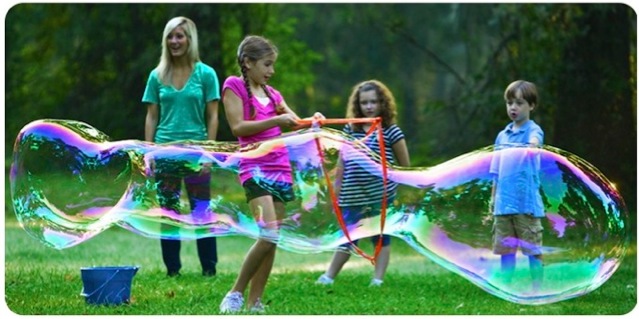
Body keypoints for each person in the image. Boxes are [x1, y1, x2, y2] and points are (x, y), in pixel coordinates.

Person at [218, 35, 323, 313]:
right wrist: (277, 120)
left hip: (281, 170)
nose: (271, 71)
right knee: (269, 233)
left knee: (272, 240)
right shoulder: (234, 85)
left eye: (272, 65)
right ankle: (235, 293)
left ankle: (255, 302)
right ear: (248, 62)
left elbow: (296, 124)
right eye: (266, 64)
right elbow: (238, 127)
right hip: (254, 168)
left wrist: (312, 122)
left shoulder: (274, 94)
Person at [142, 16, 220, 277]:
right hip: (165, 152)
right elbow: (152, 116)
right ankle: (172, 270)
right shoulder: (157, 75)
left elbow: (213, 116)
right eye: (170, 36)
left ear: (190, 39)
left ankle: (209, 268)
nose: (174, 41)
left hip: (196, 153)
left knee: (201, 212)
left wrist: (209, 151)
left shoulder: (206, 74)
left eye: (180, 36)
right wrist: (149, 151)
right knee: (169, 212)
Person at [315, 80, 410, 287]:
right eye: (364, 102)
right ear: (357, 105)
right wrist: (337, 189)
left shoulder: (391, 131)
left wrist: (400, 192)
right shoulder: (351, 130)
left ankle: (377, 279)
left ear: (382, 103)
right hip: (351, 194)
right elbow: (342, 162)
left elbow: (405, 166)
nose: (369, 106)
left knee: (380, 237)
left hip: (380, 195)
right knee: (347, 237)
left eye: (374, 102)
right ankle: (329, 276)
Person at [489, 80, 544, 291]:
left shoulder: (533, 130)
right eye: (510, 103)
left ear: (531, 106)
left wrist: (531, 146)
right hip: (503, 204)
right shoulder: (502, 136)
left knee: (533, 248)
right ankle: (506, 286)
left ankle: (537, 287)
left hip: (526, 204)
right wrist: (494, 199)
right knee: (506, 249)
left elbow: (535, 141)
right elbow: (495, 171)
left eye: (519, 103)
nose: (513, 107)